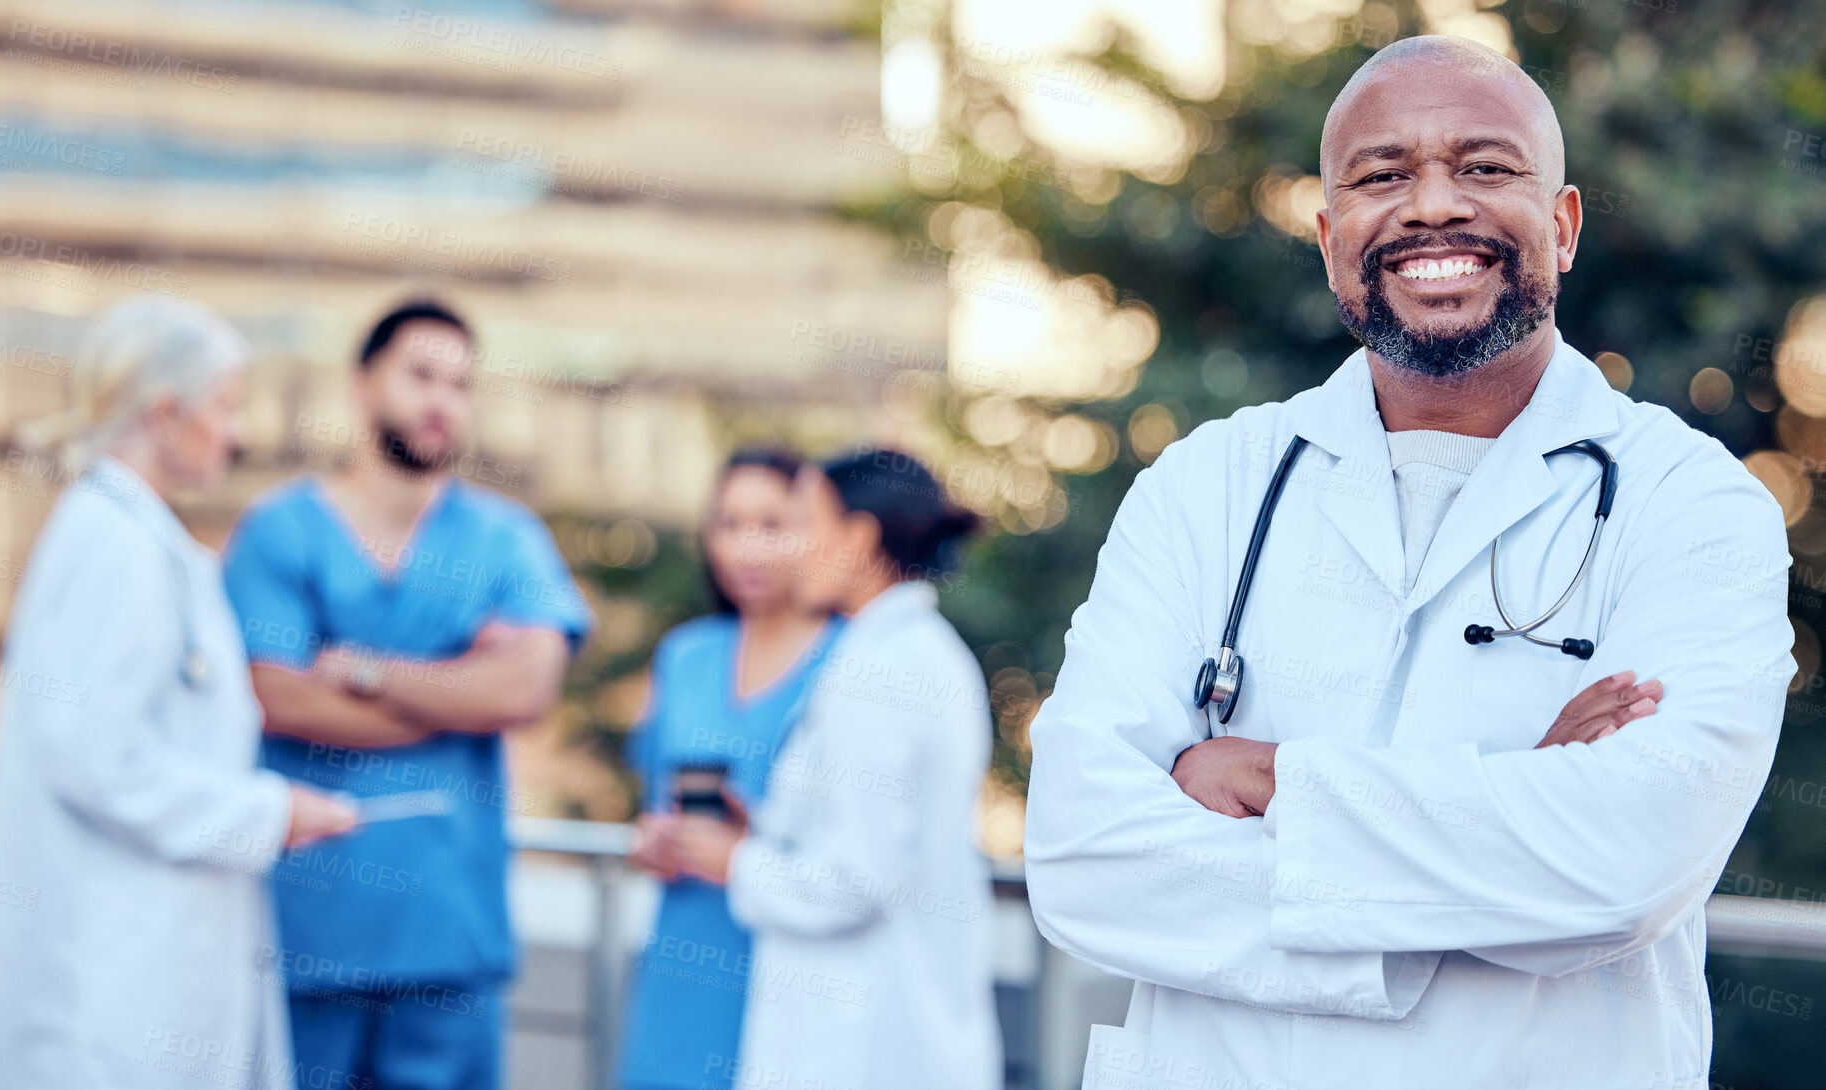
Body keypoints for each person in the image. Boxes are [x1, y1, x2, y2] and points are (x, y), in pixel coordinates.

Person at [1024, 35, 1796, 1090]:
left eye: (1483, 167)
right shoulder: (1204, 486)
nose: (1431, 205)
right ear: (1331, 235)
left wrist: (1272, 778)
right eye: (1381, 175)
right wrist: (1513, 804)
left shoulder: (1690, 502)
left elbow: (1624, 862)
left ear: (1560, 226)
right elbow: (1082, 861)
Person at [221, 299, 593, 1090]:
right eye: (420, 376)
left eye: (461, 384)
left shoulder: (504, 538)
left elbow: (525, 690)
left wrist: (364, 670)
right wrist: (460, 693)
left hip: (448, 937)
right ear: (362, 387)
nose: (441, 402)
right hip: (307, 933)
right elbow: (278, 697)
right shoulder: (281, 530)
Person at [0, 296, 358, 1090]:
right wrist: (267, 813)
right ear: (165, 413)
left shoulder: (132, 540)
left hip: (143, 983)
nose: (238, 433)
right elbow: (94, 758)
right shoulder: (115, 551)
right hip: (113, 1007)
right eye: (225, 407)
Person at [668, 447, 1003, 1090]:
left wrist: (735, 862)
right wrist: (761, 832)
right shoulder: (917, 653)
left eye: (802, 525)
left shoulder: (879, 672)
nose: (789, 549)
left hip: (860, 1047)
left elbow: (858, 880)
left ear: (856, 538)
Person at [616, 446, 845, 1090]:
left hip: (789, 961)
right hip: (683, 952)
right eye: (729, 524)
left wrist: (753, 844)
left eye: (771, 525)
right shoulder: (684, 655)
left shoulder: (851, 660)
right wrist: (654, 841)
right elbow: (652, 800)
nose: (747, 548)